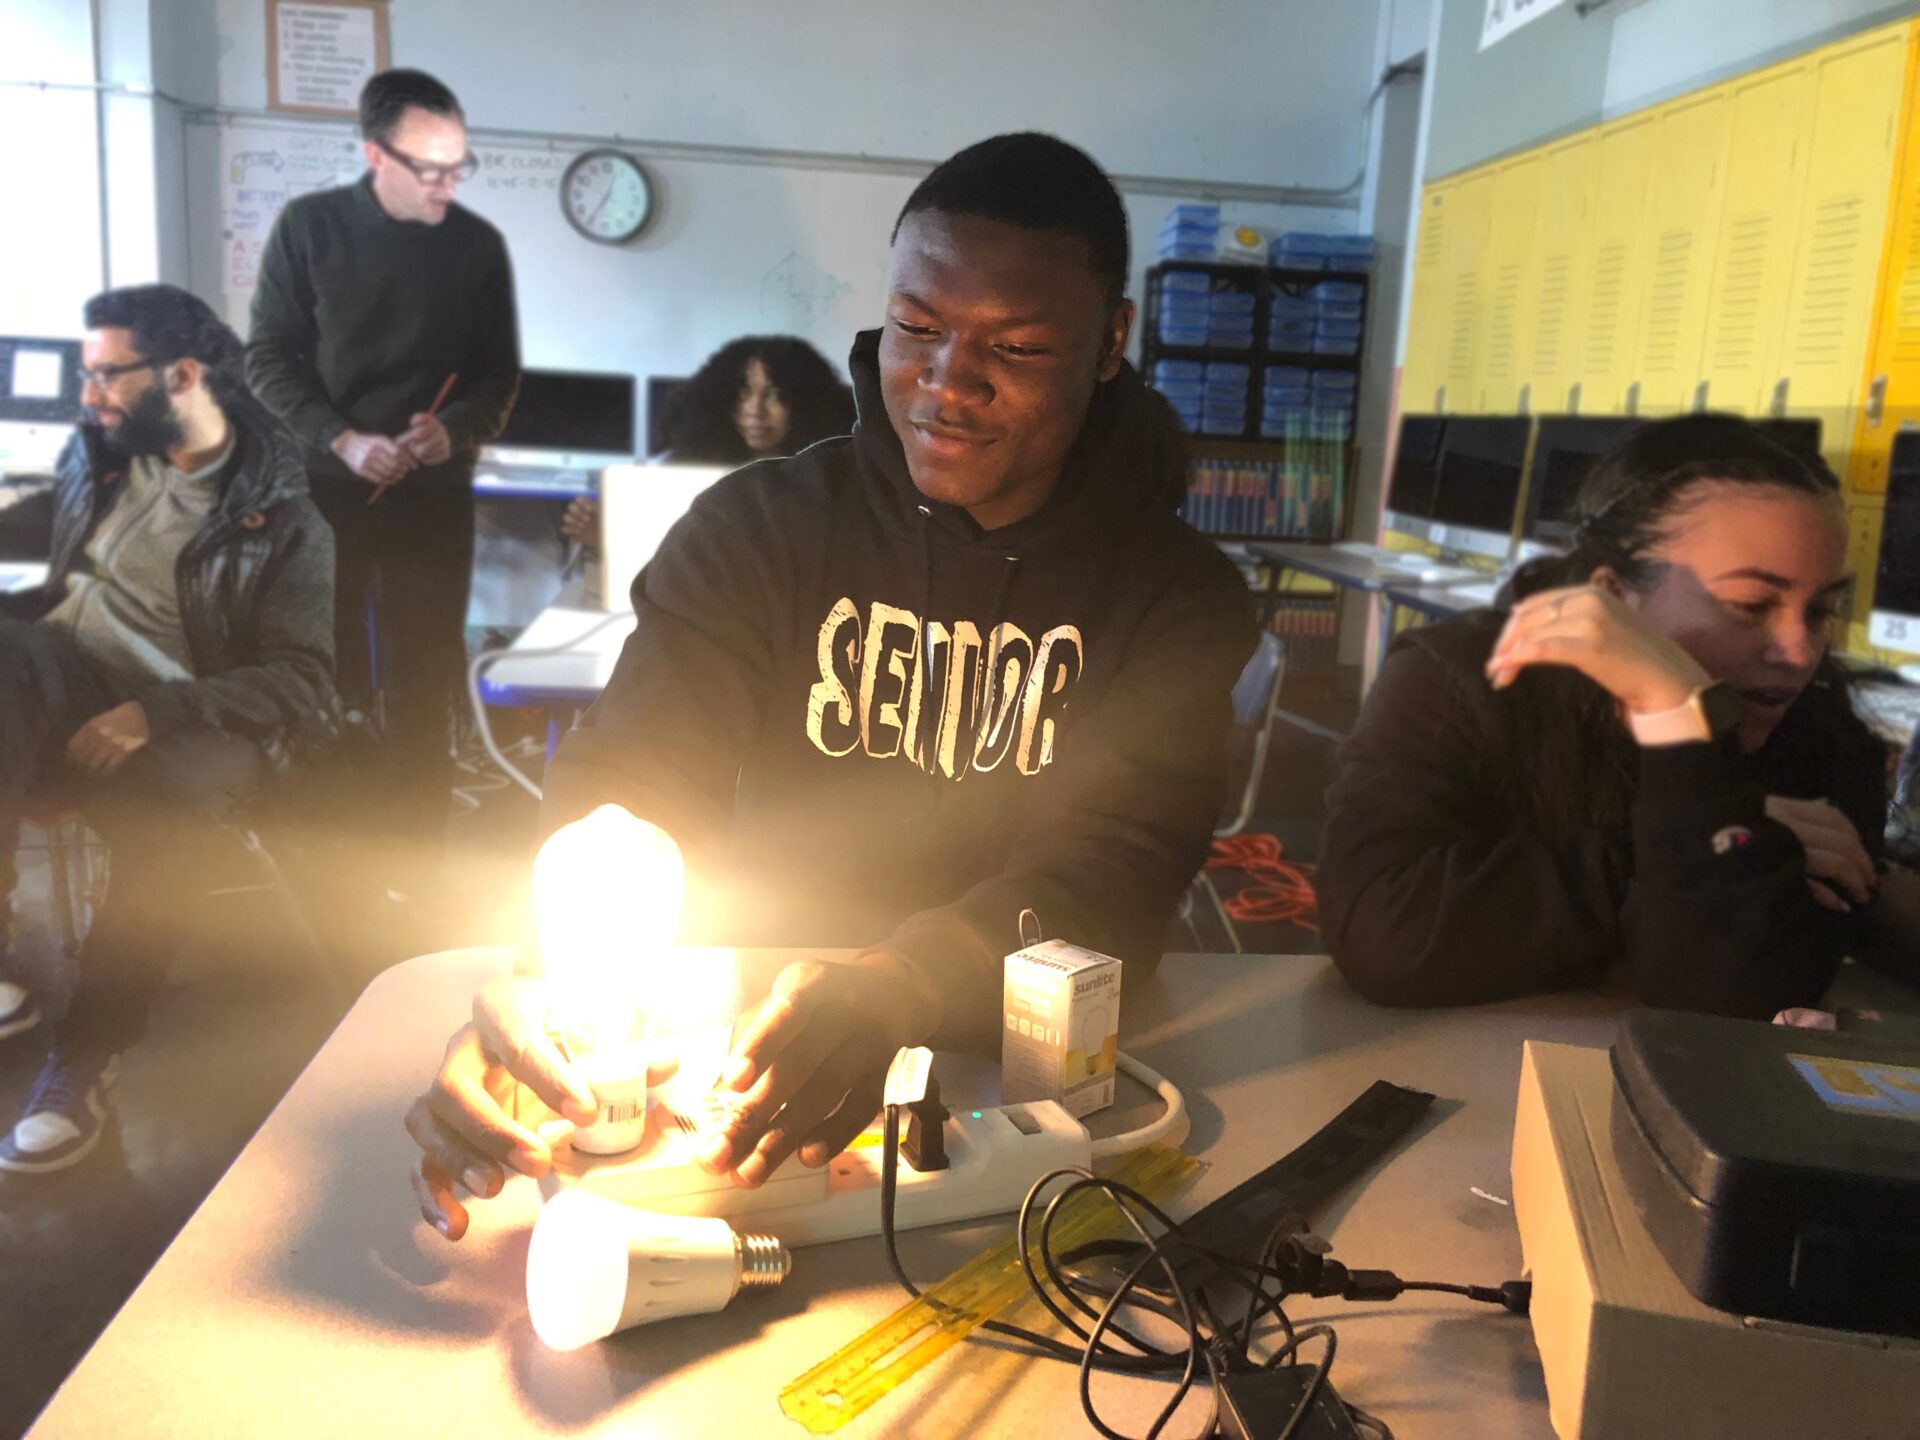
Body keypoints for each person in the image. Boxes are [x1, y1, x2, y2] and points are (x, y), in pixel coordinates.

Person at [405, 132, 1258, 1239]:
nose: (948, 383)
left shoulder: (1178, 596)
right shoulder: (759, 530)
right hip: (734, 1069)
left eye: (1020, 346)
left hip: (1030, 1097)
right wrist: (558, 983)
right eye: (917, 327)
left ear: (1109, 345)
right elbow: (631, 781)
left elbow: (1118, 869)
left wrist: (903, 981)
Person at [1317, 414, 1914, 1016]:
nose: (1800, 652)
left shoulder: (1826, 739)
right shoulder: (1457, 678)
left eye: (1822, 610)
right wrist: (1722, 835)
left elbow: (1721, 1003)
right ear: (1614, 596)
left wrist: (1683, 736)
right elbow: (1385, 938)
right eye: (1750, 605)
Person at [0, 284, 337, 1172]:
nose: (89, 396)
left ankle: (82, 1061)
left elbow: (303, 678)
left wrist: (156, 712)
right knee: (10, 653)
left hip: (185, 720)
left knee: (168, 824)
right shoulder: (106, 456)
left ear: (181, 374)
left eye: (107, 375)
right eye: (87, 375)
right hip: (51, 686)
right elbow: (59, 560)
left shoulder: (284, 521)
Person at [246, 67, 520, 906]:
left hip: (430, 497)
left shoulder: (476, 247)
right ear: (374, 153)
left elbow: (497, 373)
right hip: (324, 495)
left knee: (422, 679)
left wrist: (456, 430)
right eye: (428, 168)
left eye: (456, 168)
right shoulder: (309, 229)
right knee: (322, 679)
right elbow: (265, 359)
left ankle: (417, 874)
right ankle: (327, 862)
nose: (446, 185)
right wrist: (342, 438)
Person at [558, 335, 855, 547]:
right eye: (742, 393)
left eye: (775, 395)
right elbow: (656, 562)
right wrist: (605, 539)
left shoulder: (830, 481)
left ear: (805, 402)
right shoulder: (682, 473)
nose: (754, 410)